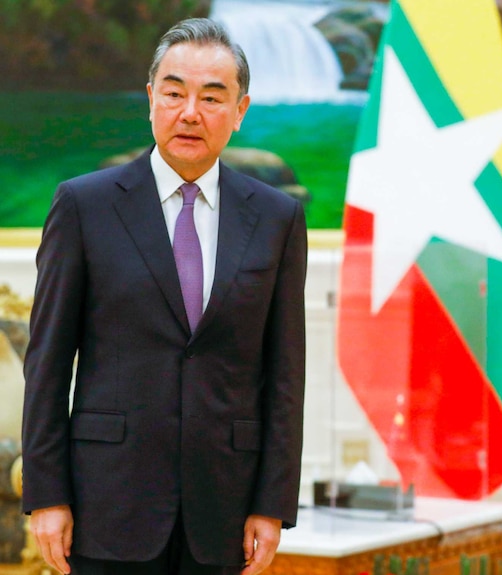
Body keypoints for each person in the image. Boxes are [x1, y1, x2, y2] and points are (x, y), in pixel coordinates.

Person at [21, 18, 307, 575]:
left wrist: (272, 505)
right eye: (174, 93)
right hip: (106, 505)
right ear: (151, 98)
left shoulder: (277, 217)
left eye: (211, 97)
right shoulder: (85, 206)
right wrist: (47, 494)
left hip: (225, 511)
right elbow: (48, 362)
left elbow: (285, 374)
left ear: (240, 110)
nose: (190, 112)